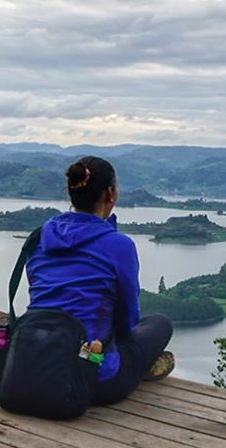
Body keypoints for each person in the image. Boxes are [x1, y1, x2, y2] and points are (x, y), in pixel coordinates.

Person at [25, 155, 174, 405]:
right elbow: (127, 320)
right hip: (93, 379)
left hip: (37, 364)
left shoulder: (39, 238)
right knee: (160, 324)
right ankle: (145, 367)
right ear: (110, 194)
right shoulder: (119, 245)